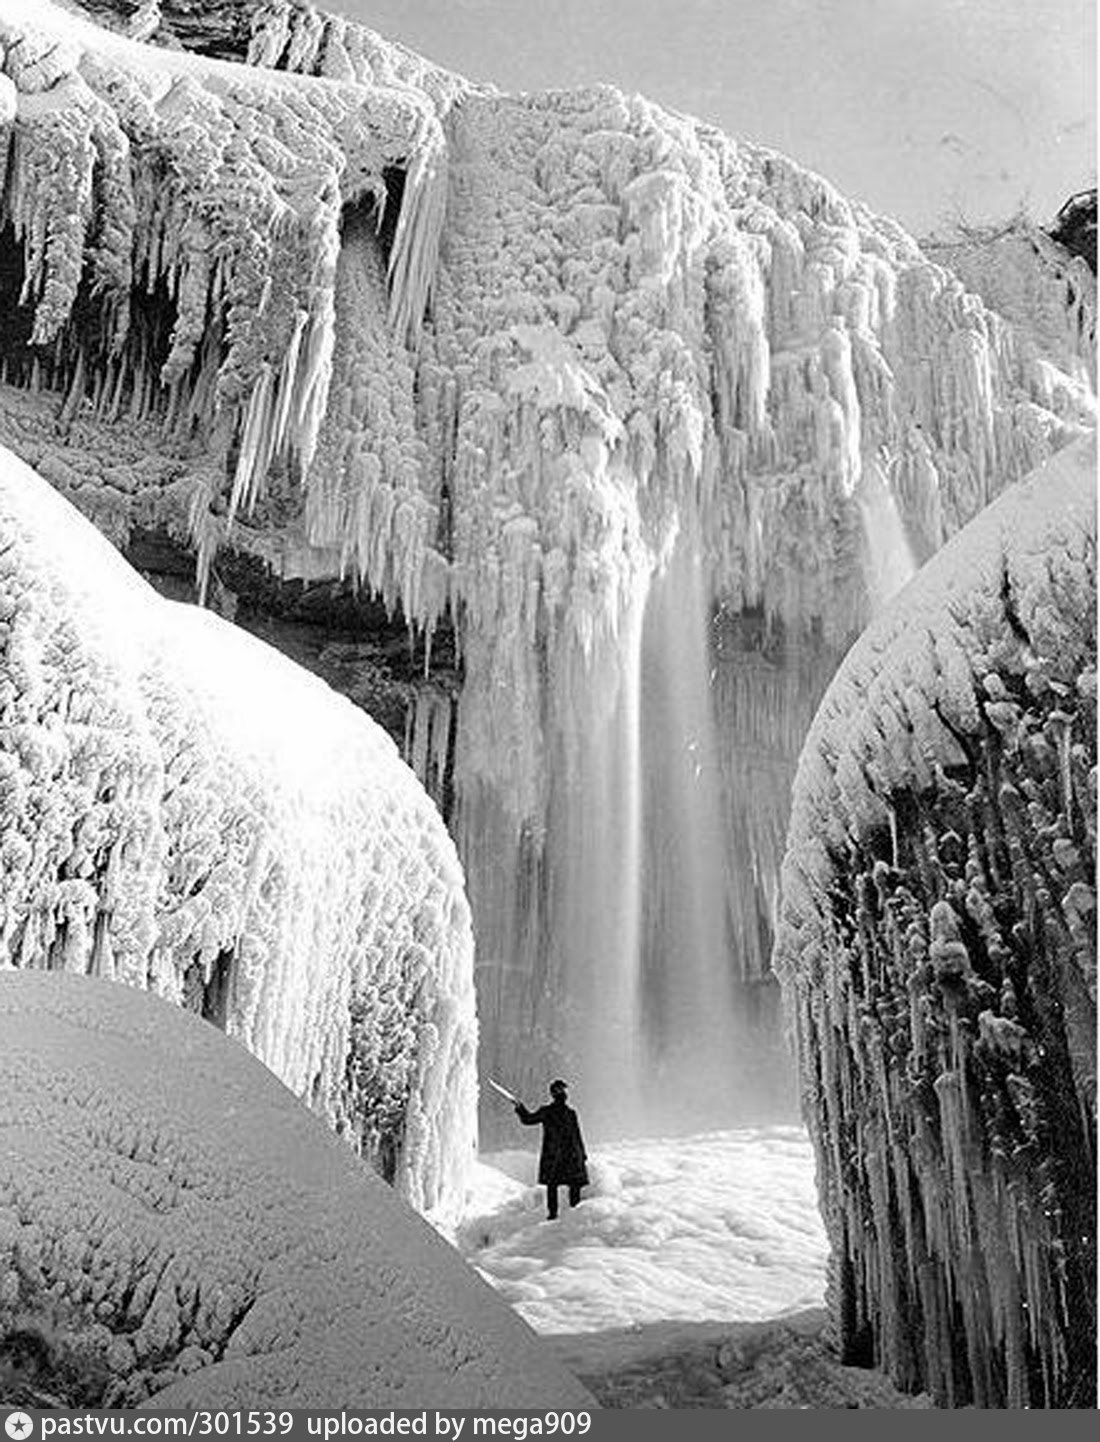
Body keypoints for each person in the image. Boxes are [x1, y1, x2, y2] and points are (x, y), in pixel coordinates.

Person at [515, 1079, 589, 1220]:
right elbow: (528, 1119)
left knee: (561, 1185)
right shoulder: (553, 1112)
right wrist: (520, 1108)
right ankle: (559, 1214)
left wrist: (583, 1153)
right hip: (563, 1154)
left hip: (564, 1154)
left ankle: (566, 1214)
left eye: (564, 1091)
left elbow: (577, 1134)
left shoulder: (565, 1113)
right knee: (560, 1185)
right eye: (561, 1091)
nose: (564, 1094)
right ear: (555, 1094)